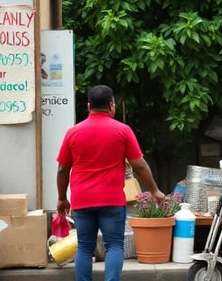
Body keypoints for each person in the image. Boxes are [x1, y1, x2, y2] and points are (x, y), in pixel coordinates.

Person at [56, 85, 164, 281]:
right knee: (114, 245)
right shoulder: (123, 131)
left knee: (84, 246)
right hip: (111, 200)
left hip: (82, 200)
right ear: (112, 106)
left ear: (89, 106)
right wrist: (154, 190)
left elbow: (63, 169)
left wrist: (62, 198)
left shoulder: (73, 132)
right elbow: (139, 165)